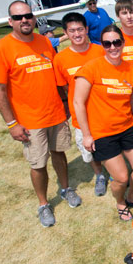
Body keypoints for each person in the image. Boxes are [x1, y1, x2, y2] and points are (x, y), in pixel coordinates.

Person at [0, 0, 82, 227]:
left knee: (59, 154)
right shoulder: (0, 49)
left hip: (56, 114)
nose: (24, 20)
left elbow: (56, 77)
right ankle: (43, 204)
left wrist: (65, 103)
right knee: (38, 164)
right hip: (29, 121)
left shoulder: (45, 43)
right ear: (10, 21)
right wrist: (12, 124)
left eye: (27, 15)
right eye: (18, 17)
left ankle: (65, 189)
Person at [73, 24, 133, 221]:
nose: (113, 47)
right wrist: (87, 135)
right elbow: (78, 102)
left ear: (123, 43)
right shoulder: (91, 68)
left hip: (127, 127)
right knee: (121, 177)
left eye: (116, 42)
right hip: (102, 133)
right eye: (107, 43)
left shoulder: (131, 68)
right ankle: (120, 201)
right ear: (102, 45)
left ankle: (132, 196)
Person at [53, 12, 108, 197]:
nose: (77, 34)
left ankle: (116, 173)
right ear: (66, 33)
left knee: (110, 145)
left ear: (86, 30)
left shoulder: (100, 51)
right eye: (72, 31)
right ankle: (99, 174)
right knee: (89, 150)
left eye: (80, 29)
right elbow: (65, 88)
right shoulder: (60, 59)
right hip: (81, 116)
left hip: (104, 111)